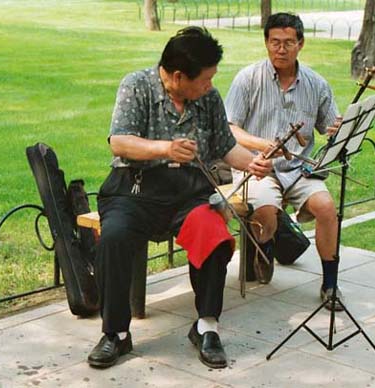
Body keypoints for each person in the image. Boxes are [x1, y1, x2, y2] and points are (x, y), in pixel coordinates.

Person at [87, 26, 272, 370]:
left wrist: (254, 163)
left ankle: (206, 326)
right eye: (204, 79)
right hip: (134, 189)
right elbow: (120, 142)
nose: (210, 86)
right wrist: (165, 148)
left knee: (214, 236)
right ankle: (116, 333)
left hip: (188, 192)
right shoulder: (137, 85)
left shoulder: (208, 98)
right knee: (113, 238)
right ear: (177, 76)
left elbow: (224, 146)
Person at [224, 13, 344, 310]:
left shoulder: (316, 83)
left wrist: (337, 129)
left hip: (299, 169)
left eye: (288, 43)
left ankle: (330, 283)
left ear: (300, 44)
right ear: (266, 43)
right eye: (275, 42)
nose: (281, 49)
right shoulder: (248, 78)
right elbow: (230, 128)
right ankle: (264, 246)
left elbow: (329, 127)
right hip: (258, 166)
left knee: (327, 209)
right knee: (265, 209)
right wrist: (260, 144)